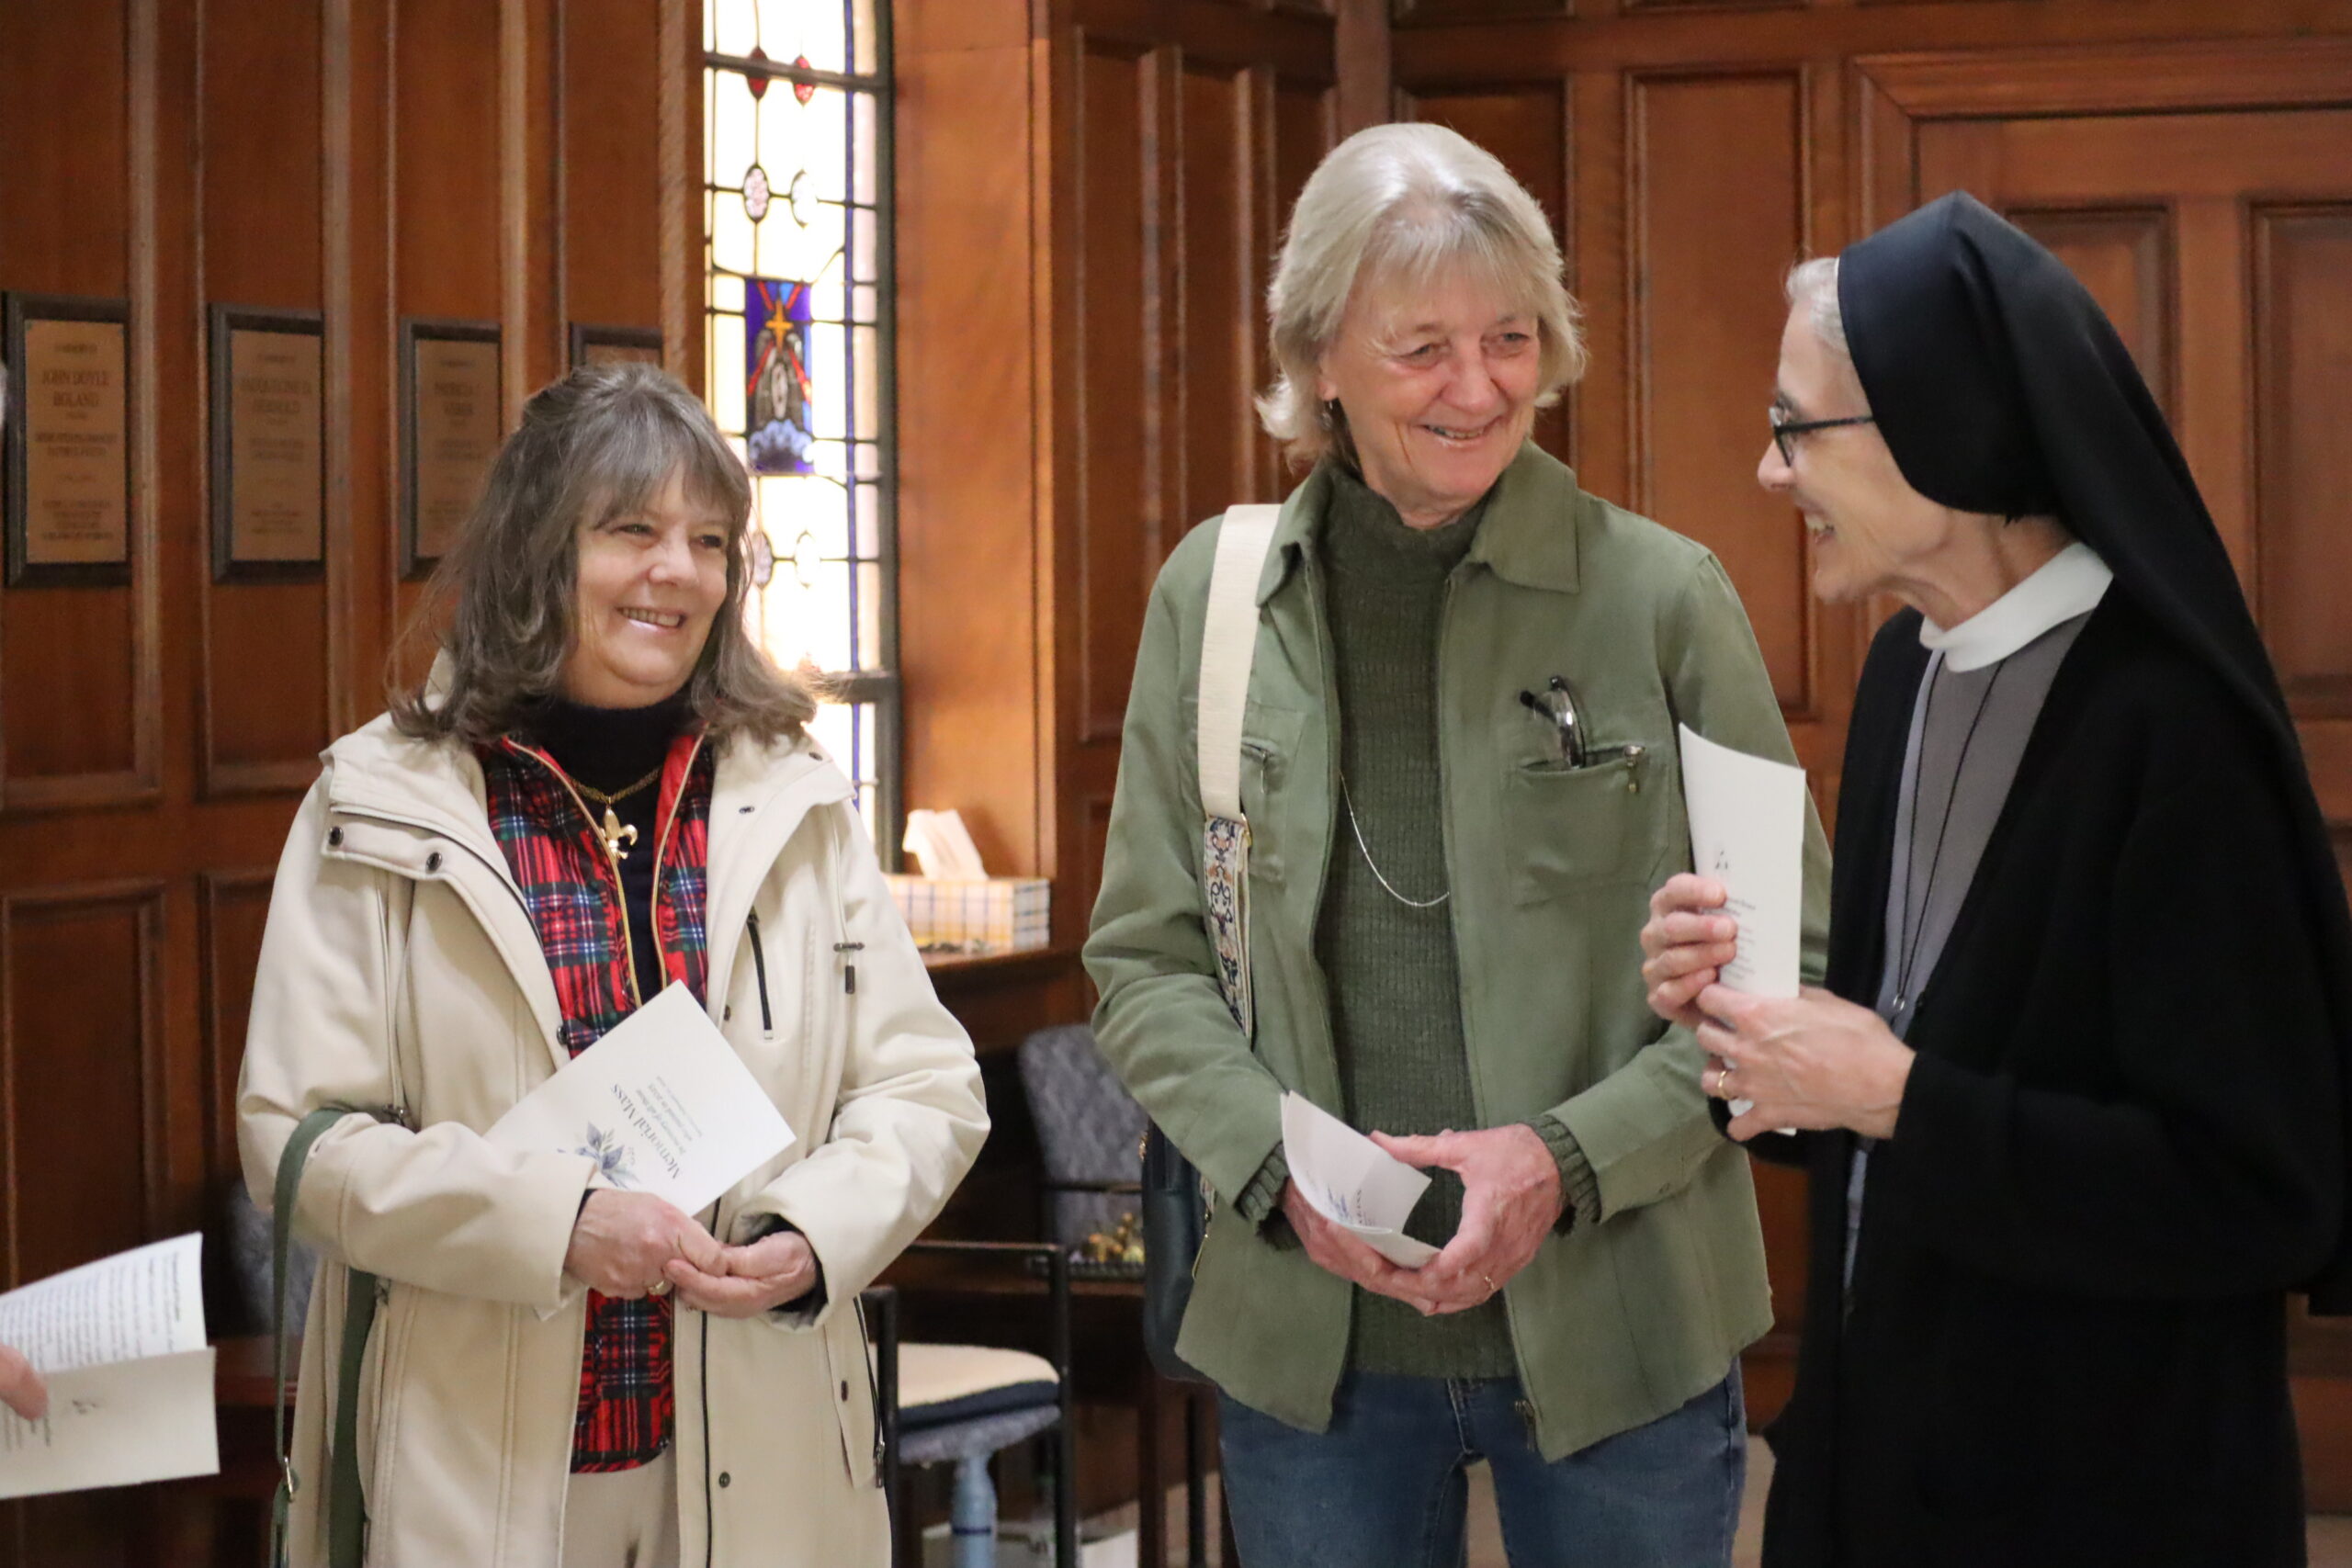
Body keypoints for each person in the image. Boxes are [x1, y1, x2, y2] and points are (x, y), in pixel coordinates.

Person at [1086, 122, 1828, 1568]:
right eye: (1422, 347)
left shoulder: (1666, 599)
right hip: (1316, 1362)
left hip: (1624, 1334)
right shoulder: (1215, 598)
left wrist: (1556, 1160)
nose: (1479, 388)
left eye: (1510, 339)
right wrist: (1274, 1169)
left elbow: (1786, 969)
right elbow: (1146, 958)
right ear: (1318, 362)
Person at [1642, 192, 2352, 1567]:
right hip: (1880, 1463)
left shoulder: (2174, 733)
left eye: (1797, 426)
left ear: (1943, 421)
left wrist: (1898, 1097)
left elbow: (2258, 1193)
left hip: (2101, 1497)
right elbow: (1909, 1060)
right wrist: (1755, 1038)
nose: (1770, 473)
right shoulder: (1907, 667)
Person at [237, 364, 988, 1568]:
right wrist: (557, 1224)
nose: (676, 572)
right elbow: (300, 1142)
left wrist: (812, 1235)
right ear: (540, 553)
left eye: (707, 538)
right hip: (484, 1474)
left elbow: (926, 1088)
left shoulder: (792, 794)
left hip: (761, 1458)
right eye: (630, 530)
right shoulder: (379, 806)